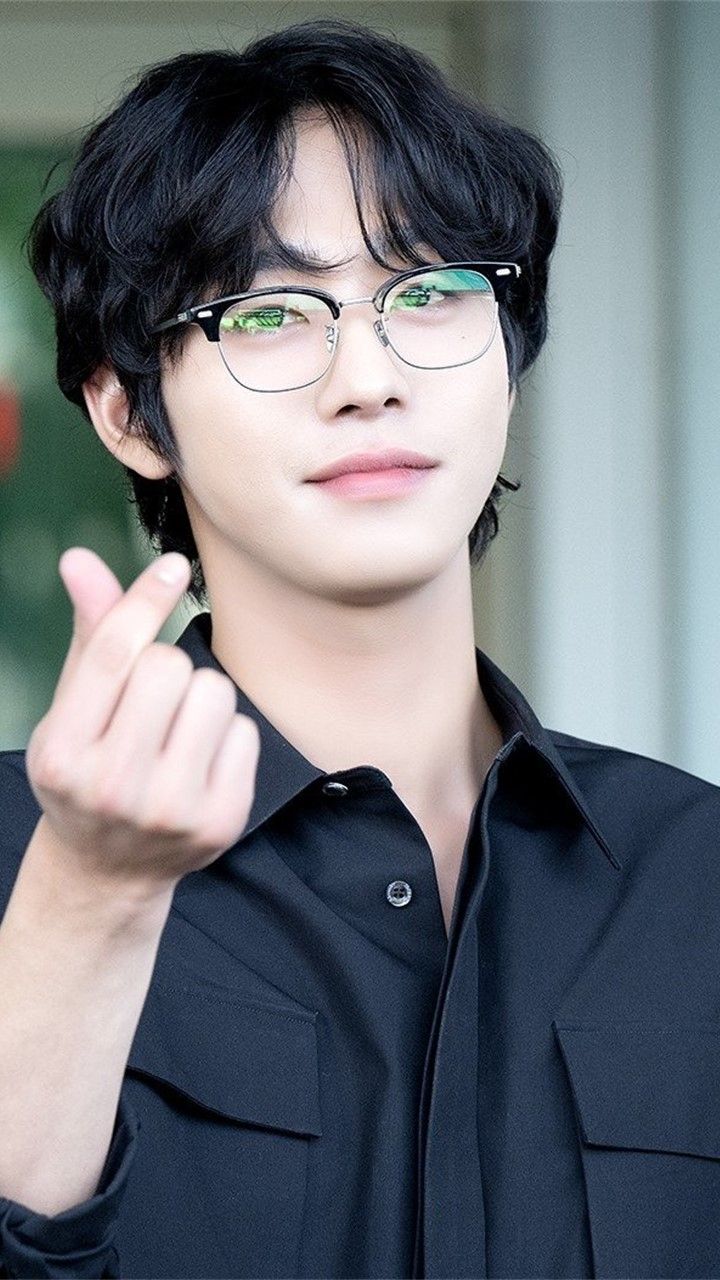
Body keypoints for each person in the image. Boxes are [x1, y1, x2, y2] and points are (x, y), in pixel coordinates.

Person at [1, 16, 719, 1280]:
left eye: (431, 291)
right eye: (272, 313)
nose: (370, 375)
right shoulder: (28, 861)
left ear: (510, 355)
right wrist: (88, 900)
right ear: (127, 411)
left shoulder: (697, 877)